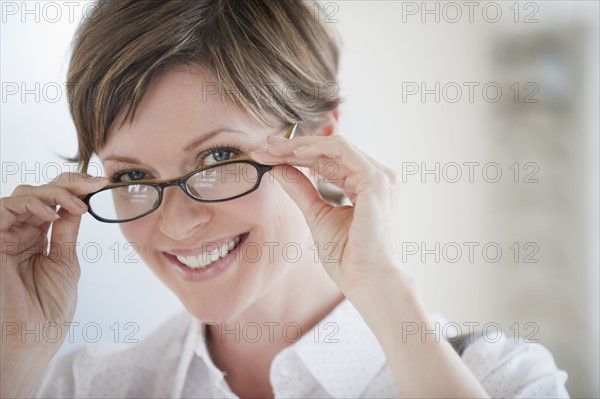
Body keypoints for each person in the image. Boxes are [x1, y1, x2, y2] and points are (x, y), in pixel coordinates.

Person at [0, 1, 569, 398]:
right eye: (131, 177)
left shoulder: (500, 380)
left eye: (219, 158)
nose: (177, 224)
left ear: (320, 143)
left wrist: (385, 295)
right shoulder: (78, 389)